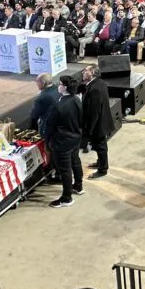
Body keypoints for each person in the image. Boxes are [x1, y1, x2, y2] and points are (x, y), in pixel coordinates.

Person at [44, 74, 83, 207]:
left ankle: (67, 198)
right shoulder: (77, 99)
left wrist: (48, 141)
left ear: (65, 87)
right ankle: (78, 185)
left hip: (62, 142)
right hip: (75, 138)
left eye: (60, 84)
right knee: (76, 161)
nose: (58, 86)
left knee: (65, 169)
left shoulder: (58, 106)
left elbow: (49, 126)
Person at [80, 65, 115, 179]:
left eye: (86, 71)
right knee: (100, 145)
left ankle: (102, 169)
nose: (83, 72)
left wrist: (89, 130)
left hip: (98, 125)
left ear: (92, 73)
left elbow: (94, 112)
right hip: (102, 122)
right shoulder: (99, 83)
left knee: (100, 146)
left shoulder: (95, 89)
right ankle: (100, 162)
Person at [29, 73, 60, 138]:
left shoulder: (42, 97)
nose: (36, 84)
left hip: (48, 128)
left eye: (37, 81)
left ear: (43, 83)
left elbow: (34, 114)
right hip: (61, 125)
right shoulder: (59, 89)